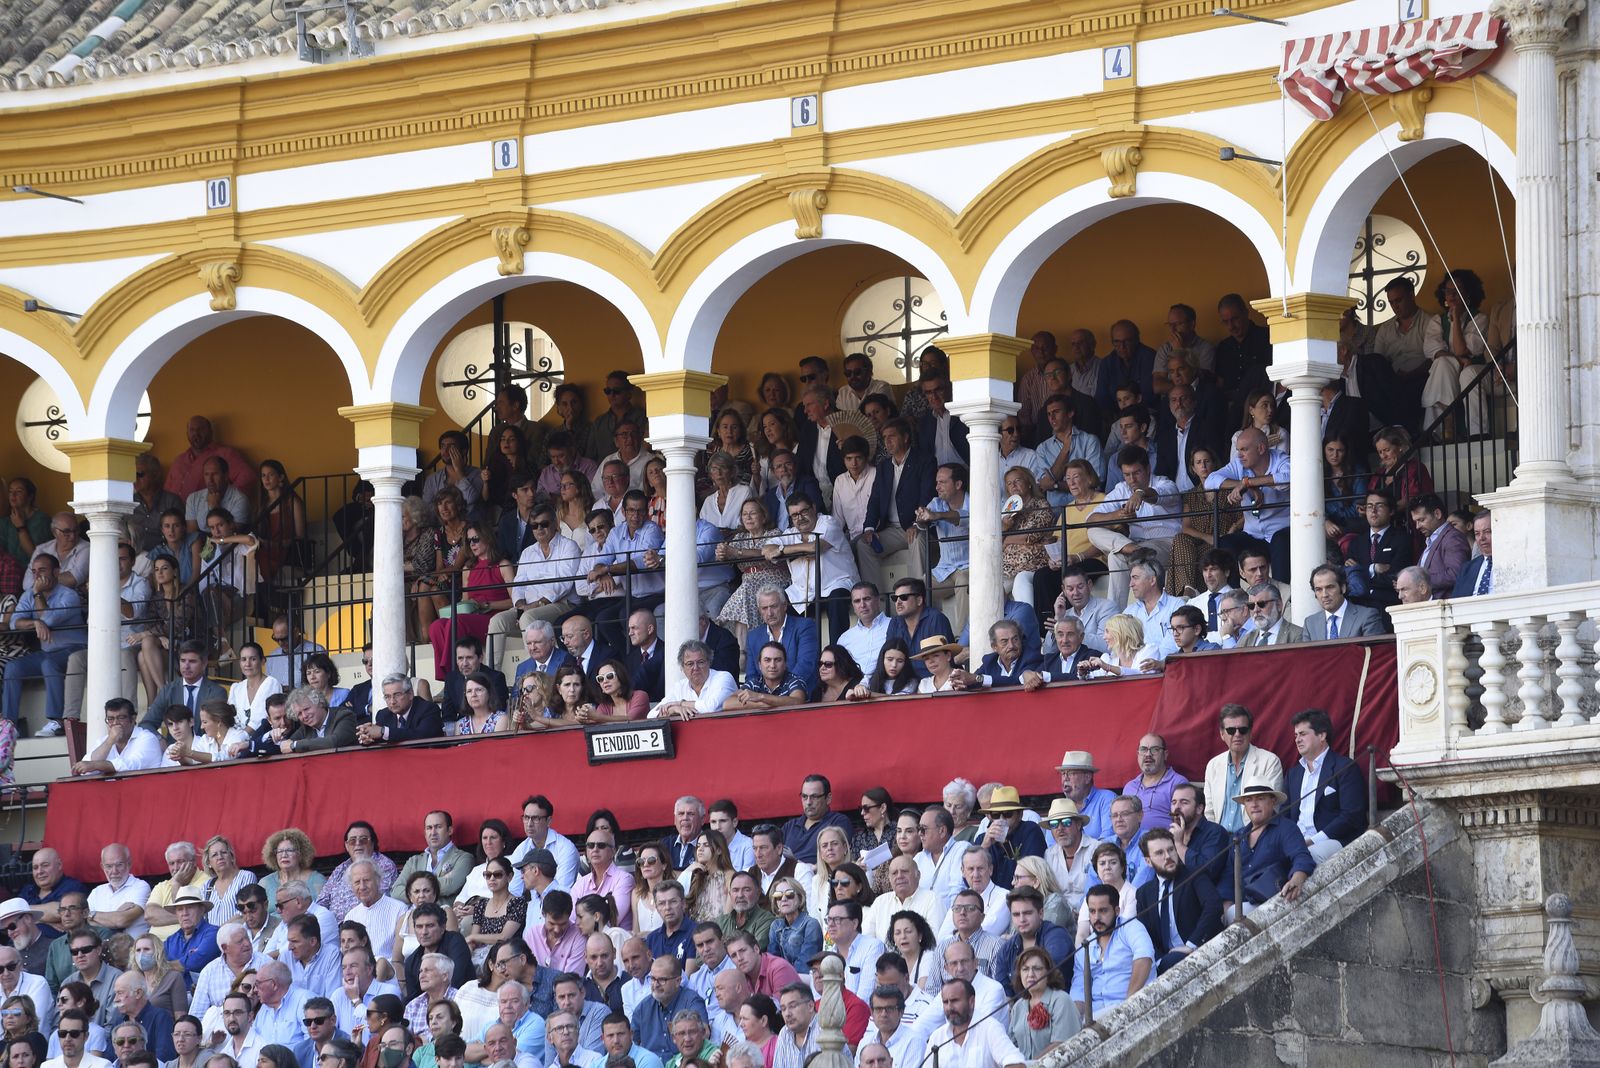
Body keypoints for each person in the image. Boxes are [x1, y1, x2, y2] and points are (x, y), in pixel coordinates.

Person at [1, 553, 85, 734]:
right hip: (48, 652)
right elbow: (15, 622)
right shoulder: (28, 594)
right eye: (34, 571)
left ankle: (56, 721)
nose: (37, 575)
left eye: (42, 570)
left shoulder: (69, 595)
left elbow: (49, 619)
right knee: (12, 668)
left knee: (50, 664)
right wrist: (35, 622)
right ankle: (9, 726)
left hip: (75, 649)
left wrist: (38, 595)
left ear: (56, 572)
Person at [1285, 708, 1369, 864]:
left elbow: (1351, 816)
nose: (1297, 740)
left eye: (1303, 734)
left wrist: (1312, 841)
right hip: (1298, 842)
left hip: (1334, 840)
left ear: (1322, 735)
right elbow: (1286, 816)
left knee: (1305, 857)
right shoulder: (1293, 774)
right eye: (1296, 735)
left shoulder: (1345, 767)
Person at [1135, 829, 1221, 975]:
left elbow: (1214, 906)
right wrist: (1159, 960)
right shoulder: (1143, 893)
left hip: (1202, 950)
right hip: (1166, 961)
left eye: (1171, 849)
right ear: (1148, 861)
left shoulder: (1194, 874)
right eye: (1159, 853)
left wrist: (1191, 945)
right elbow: (1144, 934)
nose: (1168, 856)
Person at [1067, 884, 1152, 1018]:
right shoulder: (1085, 947)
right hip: (1094, 1015)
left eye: (1103, 911)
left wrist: (1128, 1005)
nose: (1097, 918)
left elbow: (1144, 958)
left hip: (1128, 1009)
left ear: (1117, 910)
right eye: (1092, 911)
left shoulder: (1131, 928)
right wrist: (1073, 1019)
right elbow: (1079, 989)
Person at [922, 978, 1025, 1068]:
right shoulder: (937, 1037)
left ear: (971, 1001)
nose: (949, 1007)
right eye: (945, 1002)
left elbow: (1016, 1063)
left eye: (955, 1001)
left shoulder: (990, 1028)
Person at [1005, 946, 1078, 1059]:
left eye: (1037, 968)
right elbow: (1010, 1046)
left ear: (1048, 973)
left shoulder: (1061, 1000)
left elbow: (1062, 1045)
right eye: (1025, 969)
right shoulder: (1018, 1006)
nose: (1030, 974)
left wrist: (1030, 1066)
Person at [70, 701, 162, 778]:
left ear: (133, 719)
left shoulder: (147, 738)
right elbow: (85, 770)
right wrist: (110, 741)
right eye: (110, 719)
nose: (115, 723)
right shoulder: (104, 741)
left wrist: (96, 765)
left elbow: (133, 765)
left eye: (121, 718)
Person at [651, 642, 736, 721]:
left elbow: (711, 708)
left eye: (700, 662)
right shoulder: (679, 687)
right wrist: (673, 709)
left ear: (709, 662)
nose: (695, 668)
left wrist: (681, 703)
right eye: (690, 664)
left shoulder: (723, 677)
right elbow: (651, 715)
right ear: (682, 668)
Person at [1300, 565, 1385, 641]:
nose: (1324, 595)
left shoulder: (1367, 616)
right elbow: (1308, 657)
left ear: (1343, 588)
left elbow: (1376, 654)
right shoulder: (1310, 623)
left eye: (1330, 587)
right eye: (1318, 589)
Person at [1236, 582, 1302, 647]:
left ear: (1279, 605)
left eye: (1262, 604)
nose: (1256, 610)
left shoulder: (1297, 635)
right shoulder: (1245, 640)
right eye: (1251, 605)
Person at [1451, 511, 1494, 598]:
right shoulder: (1467, 569)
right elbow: (1456, 602)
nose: (1482, 538)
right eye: (1477, 534)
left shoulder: (1511, 563)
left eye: (1487, 531)